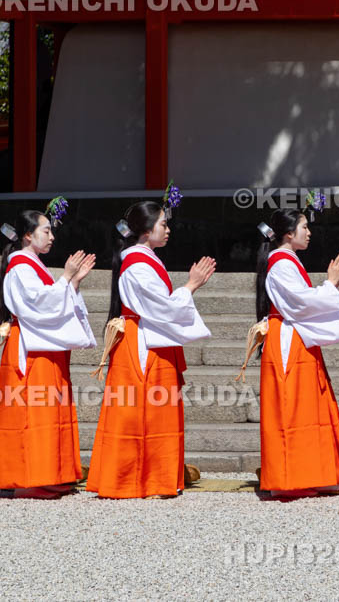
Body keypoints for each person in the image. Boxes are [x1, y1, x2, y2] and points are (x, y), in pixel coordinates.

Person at [86, 185, 215, 499]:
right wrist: (190, 286)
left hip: (149, 337)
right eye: (163, 224)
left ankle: (150, 475)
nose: (168, 230)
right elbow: (163, 307)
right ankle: (135, 478)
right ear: (146, 230)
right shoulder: (139, 264)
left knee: (148, 409)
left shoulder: (143, 259)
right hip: (143, 340)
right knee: (142, 410)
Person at [0, 197, 97, 499]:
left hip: (43, 345)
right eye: (46, 231)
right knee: (36, 414)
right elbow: (38, 304)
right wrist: (65, 278)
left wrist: (72, 282)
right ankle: (33, 477)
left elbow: (48, 299)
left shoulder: (29, 265)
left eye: (50, 231)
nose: (51, 236)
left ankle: (51, 474)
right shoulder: (21, 267)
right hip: (33, 348)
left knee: (50, 411)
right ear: (27, 235)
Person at [249, 204, 339, 499]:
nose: (309, 232)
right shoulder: (283, 263)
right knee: (294, 407)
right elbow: (301, 302)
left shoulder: (286, 261)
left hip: (295, 339)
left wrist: (330, 286)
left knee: (305, 406)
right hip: (288, 341)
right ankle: (292, 477)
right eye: (304, 227)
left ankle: (311, 474)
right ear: (288, 233)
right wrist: (331, 283)